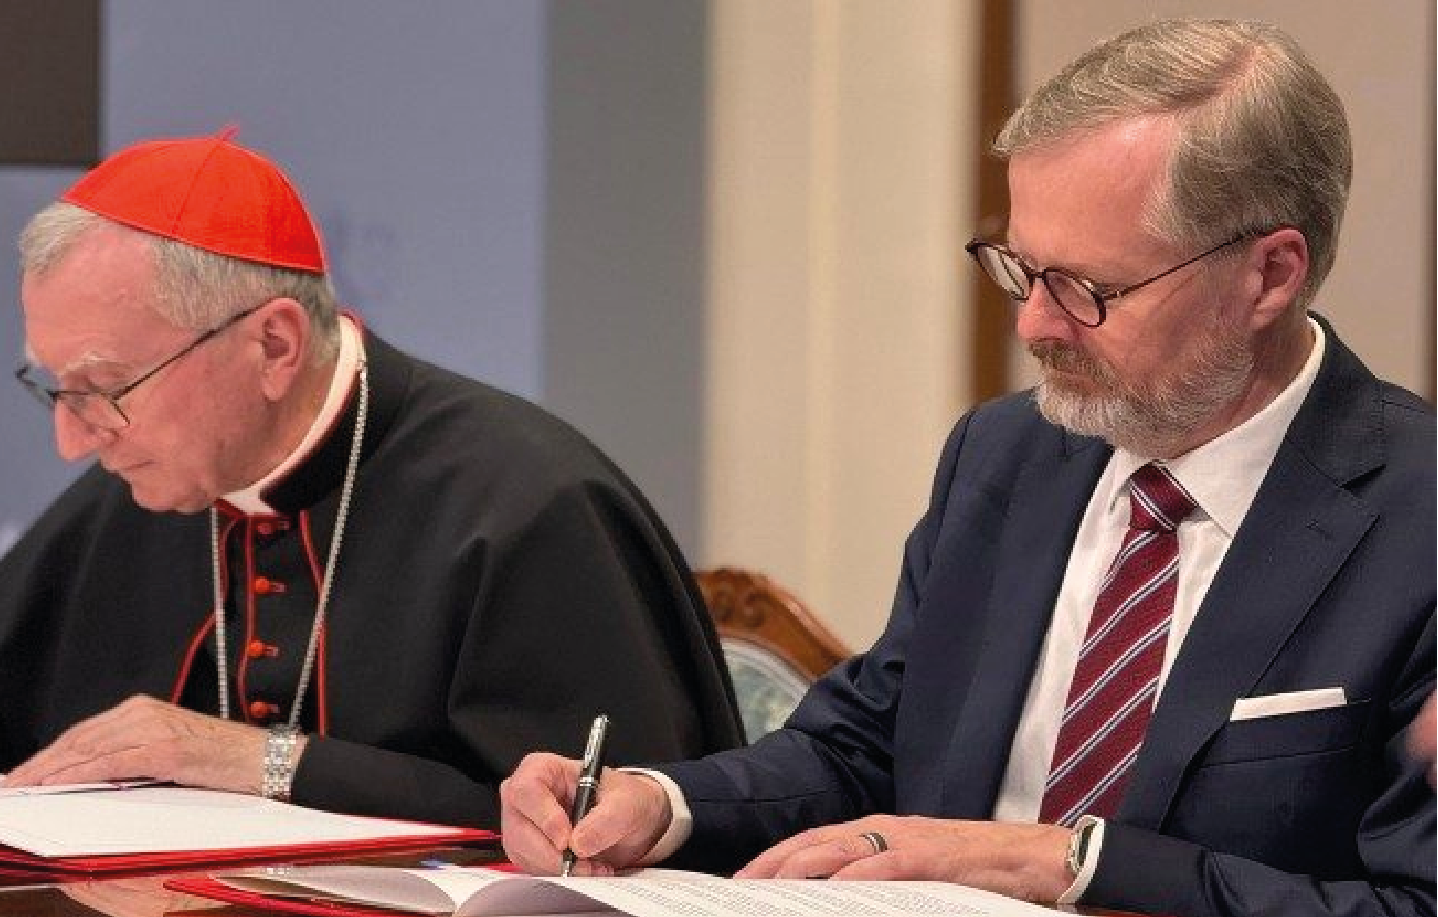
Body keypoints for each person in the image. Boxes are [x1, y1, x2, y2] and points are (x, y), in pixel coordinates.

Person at [501, 18, 1433, 915]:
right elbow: (865, 744)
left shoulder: (1412, 515)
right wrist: (660, 804)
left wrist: (1072, 862)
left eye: (1087, 289)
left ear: (1267, 276)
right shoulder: (1008, 454)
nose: (1032, 324)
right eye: (1021, 269)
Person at [0, 133, 743, 829]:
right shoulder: (165, 475)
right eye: (54, 389)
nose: (74, 441)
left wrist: (258, 760)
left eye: (105, 388)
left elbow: (611, 815)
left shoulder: (528, 503)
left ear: (273, 345)